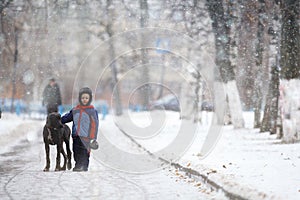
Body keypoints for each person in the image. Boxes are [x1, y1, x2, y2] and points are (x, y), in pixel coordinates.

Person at [61, 87, 99, 172]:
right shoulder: (75, 110)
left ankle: (84, 166)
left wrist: (93, 138)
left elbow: (95, 125)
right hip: (76, 135)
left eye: (86, 98)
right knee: (76, 151)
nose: (84, 100)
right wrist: (59, 120)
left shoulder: (92, 111)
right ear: (79, 99)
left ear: (89, 99)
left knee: (85, 152)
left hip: (87, 136)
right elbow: (67, 117)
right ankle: (78, 165)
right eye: (82, 98)